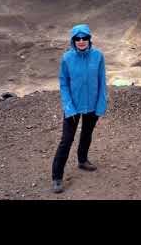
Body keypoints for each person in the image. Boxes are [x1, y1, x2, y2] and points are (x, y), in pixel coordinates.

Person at [51, 24, 107, 193]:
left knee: (86, 134)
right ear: (73, 40)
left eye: (84, 38)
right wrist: (69, 107)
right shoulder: (67, 58)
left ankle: (82, 160)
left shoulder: (98, 56)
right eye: (77, 38)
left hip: (92, 105)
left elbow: (102, 81)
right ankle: (57, 177)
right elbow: (63, 84)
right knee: (66, 140)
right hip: (73, 108)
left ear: (90, 39)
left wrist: (101, 105)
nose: (81, 41)